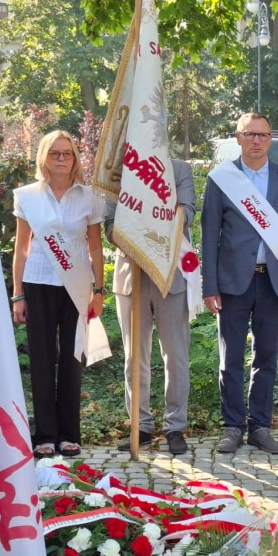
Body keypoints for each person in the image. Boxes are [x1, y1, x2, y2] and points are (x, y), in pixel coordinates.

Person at [201, 112, 278, 455]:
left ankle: (260, 426)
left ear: (271, 138)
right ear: (239, 137)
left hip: (274, 283)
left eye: (262, 134)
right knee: (229, 358)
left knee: (267, 358)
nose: (257, 141)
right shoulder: (221, 180)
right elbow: (209, 236)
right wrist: (209, 285)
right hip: (232, 283)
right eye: (250, 135)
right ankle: (232, 426)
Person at [11, 130, 104, 458]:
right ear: (44, 158)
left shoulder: (89, 197)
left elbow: (95, 246)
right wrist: (18, 294)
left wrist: (99, 290)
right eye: (55, 153)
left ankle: (68, 434)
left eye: (67, 153)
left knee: (72, 359)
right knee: (40, 358)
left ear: (76, 158)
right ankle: (45, 435)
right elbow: (21, 248)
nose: (62, 159)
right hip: (37, 282)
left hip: (76, 286)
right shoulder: (27, 195)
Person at [108, 158, 196, 456]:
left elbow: (189, 214)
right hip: (131, 275)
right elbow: (110, 224)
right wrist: (132, 237)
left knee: (176, 356)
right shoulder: (120, 169)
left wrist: (150, 225)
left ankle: (175, 426)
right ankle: (140, 426)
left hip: (170, 274)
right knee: (135, 357)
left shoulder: (180, 169)